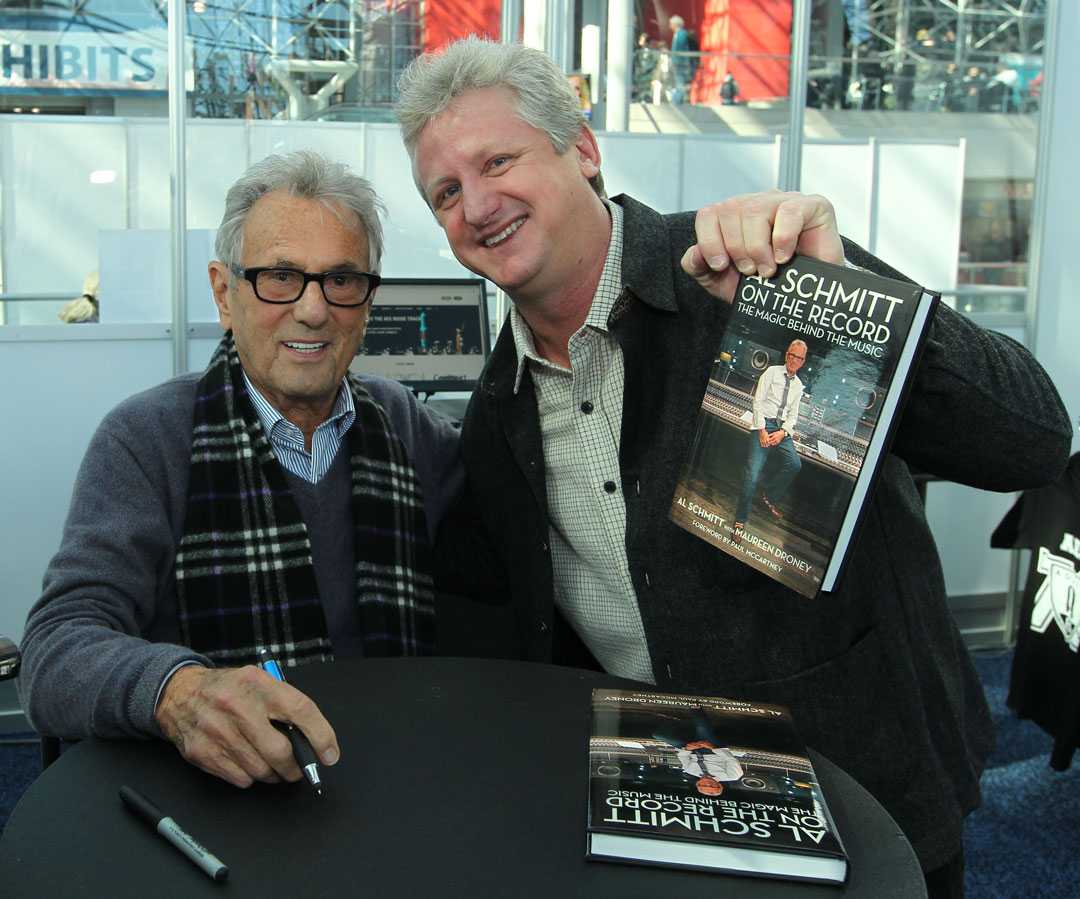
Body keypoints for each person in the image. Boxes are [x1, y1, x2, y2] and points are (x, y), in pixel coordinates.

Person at [396, 37, 1072, 898]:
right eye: (446, 192)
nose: (479, 204)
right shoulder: (497, 412)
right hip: (671, 809)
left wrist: (849, 295)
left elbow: (1032, 438)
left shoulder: (754, 276)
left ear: (586, 150)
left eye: (499, 160)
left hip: (861, 788)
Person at [19, 151, 464, 790]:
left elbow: (513, 513)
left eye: (341, 279)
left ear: (368, 302)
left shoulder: (402, 423)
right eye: (280, 276)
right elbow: (55, 651)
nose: (313, 310)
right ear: (225, 294)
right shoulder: (147, 439)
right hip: (218, 801)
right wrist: (179, 693)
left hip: (382, 778)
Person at [733, 340, 806, 533]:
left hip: (781, 430)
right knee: (752, 474)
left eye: (798, 357)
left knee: (795, 464)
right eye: (791, 354)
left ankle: (769, 496)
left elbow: (793, 417)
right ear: (786, 355)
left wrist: (783, 433)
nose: (793, 359)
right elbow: (757, 402)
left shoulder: (799, 386)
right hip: (764, 424)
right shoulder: (771, 372)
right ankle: (740, 520)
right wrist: (762, 430)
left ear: (802, 362)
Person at [668, 15, 697, 104]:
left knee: (679, 83)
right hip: (679, 64)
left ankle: (676, 102)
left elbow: (679, 50)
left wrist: (674, 61)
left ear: (675, 24)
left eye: (671, 24)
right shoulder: (679, 34)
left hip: (680, 64)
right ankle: (678, 101)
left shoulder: (681, 34)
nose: (670, 26)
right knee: (679, 83)